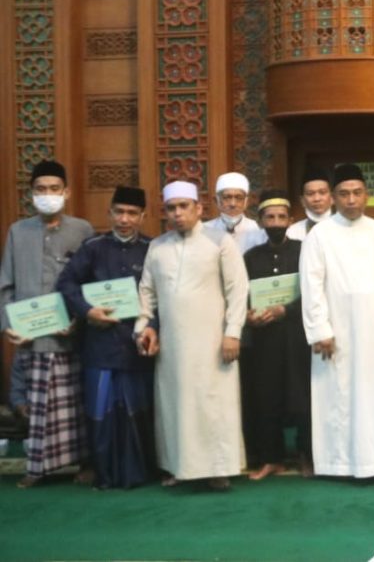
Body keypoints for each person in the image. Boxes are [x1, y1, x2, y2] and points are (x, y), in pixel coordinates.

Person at [135, 180, 247, 491]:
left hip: (214, 343)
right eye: (172, 208)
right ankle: (178, 467)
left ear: (199, 208)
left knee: (214, 404)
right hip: (172, 345)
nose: (178, 213)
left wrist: (232, 333)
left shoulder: (220, 241)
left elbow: (238, 290)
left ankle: (218, 469)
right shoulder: (157, 247)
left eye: (184, 206)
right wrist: (144, 328)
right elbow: (147, 292)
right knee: (175, 406)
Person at [300, 164, 374, 481]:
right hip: (337, 331)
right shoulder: (320, 234)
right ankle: (338, 464)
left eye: (357, 193)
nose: (351, 200)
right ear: (333, 198)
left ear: (367, 195)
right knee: (337, 397)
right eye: (344, 194)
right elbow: (311, 285)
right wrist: (320, 329)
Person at [0, 159, 94, 487]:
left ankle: (84, 463)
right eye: (41, 189)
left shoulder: (81, 230)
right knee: (38, 406)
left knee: (75, 403)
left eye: (54, 189)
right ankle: (36, 468)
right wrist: (8, 325)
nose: (48, 194)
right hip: (31, 338)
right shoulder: (17, 232)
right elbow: (6, 285)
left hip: (70, 336)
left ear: (66, 192)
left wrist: (78, 319)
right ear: (31, 194)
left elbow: (89, 283)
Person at [56, 186, 154, 490]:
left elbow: (161, 297)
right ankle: (106, 476)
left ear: (143, 216)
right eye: (119, 212)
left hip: (138, 345)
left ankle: (140, 474)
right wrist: (87, 311)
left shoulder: (153, 249)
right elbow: (67, 284)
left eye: (132, 213)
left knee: (137, 412)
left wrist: (153, 328)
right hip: (99, 345)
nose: (124, 219)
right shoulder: (92, 247)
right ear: (109, 212)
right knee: (101, 413)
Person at [241, 189, 312, 480]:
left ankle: (307, 456)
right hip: (264, 339)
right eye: (269, 217)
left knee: (303, 397)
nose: (276, 222)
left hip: (297, 337)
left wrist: (286, 310)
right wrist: (249, 315)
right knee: (266, 397)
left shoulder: (304, 251)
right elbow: (242, 295)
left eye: (281, 217)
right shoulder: (250, 256)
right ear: (260, 221)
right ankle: (272, 458)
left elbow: (313, 292)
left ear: (290, 219)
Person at [203, 171, 263, 253]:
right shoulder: (206, 230)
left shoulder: (255, 229)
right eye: (227, 197)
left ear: (246, 201)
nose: (233, 204)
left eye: (239, 198)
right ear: (216, 201)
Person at [288, 167, 333, 241]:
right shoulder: (292, 233)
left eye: (322, 192)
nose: (317, 199)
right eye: (310, 194)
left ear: (332, 198)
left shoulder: (345, 228)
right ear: (302, 201)